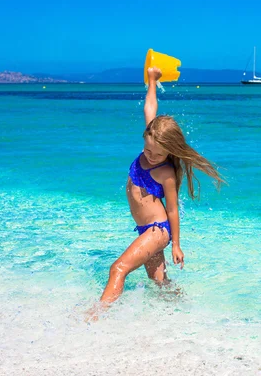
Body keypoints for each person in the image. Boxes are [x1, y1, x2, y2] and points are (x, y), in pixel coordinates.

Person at [90, 67, 224, 317]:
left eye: (159, 154)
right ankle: (188, 315)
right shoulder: (152, 138)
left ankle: (95, 316)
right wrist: (152, 80)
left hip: (158, 230)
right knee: (159, 283)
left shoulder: (166, 173)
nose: (150, 156)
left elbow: (172, 209)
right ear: (146, 137)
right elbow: (149, 107)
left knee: (118, 269)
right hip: (146, 230)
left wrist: (176, 245)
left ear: (170, 152)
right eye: (148, 149)